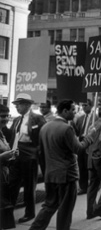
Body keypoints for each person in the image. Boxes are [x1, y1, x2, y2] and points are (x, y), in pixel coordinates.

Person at [29, 100, 93, 230]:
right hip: (66, 175)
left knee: (49, 205)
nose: (75, 113)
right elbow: (78, 149)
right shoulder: (66, 128)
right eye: (73, 110)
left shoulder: (45, 127)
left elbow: (41, 151)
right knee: (65, 209)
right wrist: (89, 137)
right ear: (65, 111)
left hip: (50, 174)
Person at [9, 93, 46, 224]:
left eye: (19, 105)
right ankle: (8, 212)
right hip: (17, 154)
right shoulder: (16, 120)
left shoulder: (37, 118)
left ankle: (29, 213)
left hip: (30, 154)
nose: (17, 107)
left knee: (29, 186)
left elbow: (43, 137)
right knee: (12, 184)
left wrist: (37, 151)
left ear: (27, 105)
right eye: (16, 105)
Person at [0, 105, 18, 229]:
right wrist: (2, 156)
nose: (6, 119)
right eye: (2, 116)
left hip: (3, 175)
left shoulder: (2, 131)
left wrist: (12, 154)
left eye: (7, 115)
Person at [74, 99, 95, 195]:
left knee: (91, 166)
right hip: (81, 144)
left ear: (91, 106)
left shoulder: (96, 118)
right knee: (81, 165)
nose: (84, 107)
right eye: (83, 105)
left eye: (86, 105)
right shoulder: (80, 118)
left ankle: (95, 184)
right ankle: (83, 187)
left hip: (91, 144)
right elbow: (76, 131)